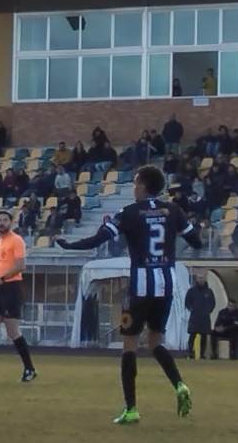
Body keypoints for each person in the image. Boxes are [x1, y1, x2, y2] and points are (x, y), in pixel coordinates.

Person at [59, 165, 201, 424]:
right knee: (156, 342)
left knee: (130, 346)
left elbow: (98, 239)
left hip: (140, 287)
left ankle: (131, 409)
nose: (134, 187)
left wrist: (70, 245)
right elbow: (197, 241)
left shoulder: (130, 212)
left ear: (144, 186)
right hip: (167, 286)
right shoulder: (173, 211)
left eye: (136, 183)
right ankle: (179, 385)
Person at [0, 210, 37, 382]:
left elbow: (20, 266)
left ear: (11, 222)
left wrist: (1, 279)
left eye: (4, 220)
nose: (1, 223)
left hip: (11, 288)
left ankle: (29, 369)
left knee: (13, 332)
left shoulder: (16, 240)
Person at [184, 273, 217, 361]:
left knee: (204, 337)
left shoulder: (209, 291)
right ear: (196, 279)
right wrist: (191, 309)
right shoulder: (191, 291)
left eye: (202, 278)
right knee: (192, 336)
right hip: (194, 317)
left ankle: (202, 355)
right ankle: (190, 353)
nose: (201, 280)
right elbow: (187, 302)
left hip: (205, 318)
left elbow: (213, 303)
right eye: (199, 278)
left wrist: (208, 311)